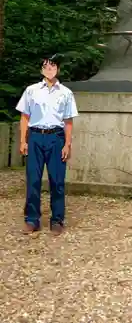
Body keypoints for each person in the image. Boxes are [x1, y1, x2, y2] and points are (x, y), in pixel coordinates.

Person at [16, 54, 78, 236]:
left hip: (56, 137)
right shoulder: (31, 90)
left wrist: (67, 144)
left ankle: (57, 220)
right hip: (36, 136)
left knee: (57, 180)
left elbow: (68, 121)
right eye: (46, 67)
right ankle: (31, 219)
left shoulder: (66, 93)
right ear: (41, 70)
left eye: (53, 66)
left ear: (57, 69)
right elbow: (24, 117)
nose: (49, 70)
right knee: (33, 179)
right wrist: (23, 140)